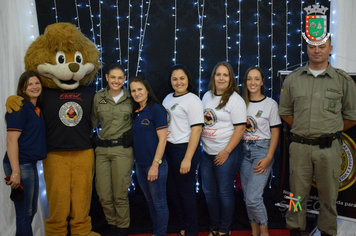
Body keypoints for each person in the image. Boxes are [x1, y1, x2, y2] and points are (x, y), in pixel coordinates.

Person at [279, 37, 356, 236]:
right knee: (296, 196)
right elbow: (285, 111)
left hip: (329, 149)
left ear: (330, 49)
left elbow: (351, 117)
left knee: (329, 197)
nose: (317, 51)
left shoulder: (342, 80)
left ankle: (327, 231)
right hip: (300, 148)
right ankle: (295, 229)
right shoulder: (293, 79)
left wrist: (331, 130)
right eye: (312, 47)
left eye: (322, 46)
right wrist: (303, 128)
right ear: (307, 48)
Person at [200, 61, 246, 236]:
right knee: (209, 193)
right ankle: (214, 226)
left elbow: (240, 128)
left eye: (225, 75)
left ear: (230, 78)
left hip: (227, 153)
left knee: (224, 192)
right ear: (214, 77)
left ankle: (225, 230)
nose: (221, 78)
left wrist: (226, 152)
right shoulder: (206, 96)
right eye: (218, 74)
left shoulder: (236, 100)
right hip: (207, 154)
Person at [91, 64, 134, 236]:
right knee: (103, 195)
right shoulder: (98, 97)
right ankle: (112, 226)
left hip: (122, 151)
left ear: (124, 79)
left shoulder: (132, 97)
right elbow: (93, 122)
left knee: (120, 195)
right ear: (107, 78)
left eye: (120, 78)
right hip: (101, 151)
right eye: (113, 77)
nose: (116, 81)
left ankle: (122, 230)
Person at [3, 71, 47, 236]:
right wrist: (15, 171)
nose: (35, 87)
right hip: (19, 164)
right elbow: (11, 140)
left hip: (29, 163)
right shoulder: (18, 106)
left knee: (31, 210)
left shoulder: (35, 108)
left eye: (37, 83)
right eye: (30, 84)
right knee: (24, 213)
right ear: (22, 87)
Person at [163, 64, 204, 236]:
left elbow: (197, 130)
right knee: (173, 192)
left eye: (182, 78)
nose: (178, 82)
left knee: (186, 193)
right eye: (175, 79)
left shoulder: (193, 100)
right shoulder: (167, 98)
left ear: (188, 79)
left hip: (185, 149)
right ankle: (182, 227)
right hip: (169, 150)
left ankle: (192, 231)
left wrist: (187, 158)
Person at [240, 67, 281, 236]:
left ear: (262, 82)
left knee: (253, 198)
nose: (253, 82)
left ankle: (264, 231)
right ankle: (254, 231)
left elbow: (275, 132)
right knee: (246, 197)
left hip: (261, 151)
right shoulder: (240, 102)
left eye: (257, 79)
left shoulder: (270, 104)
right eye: (250, 79)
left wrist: (269, 157)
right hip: (243, 152)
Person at [129, 76, 169, 236]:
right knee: (151, 202)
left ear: (147, 90)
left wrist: (155, 165)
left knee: (159, 203)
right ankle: (156, 232)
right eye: (133, 90)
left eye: (140, 89)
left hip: (155, 165)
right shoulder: (136, 112)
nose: (137, 93)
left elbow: (163, 139)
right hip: (140, 165)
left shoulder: (156, 109)